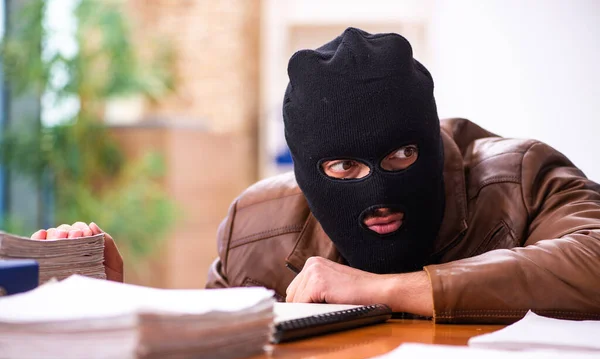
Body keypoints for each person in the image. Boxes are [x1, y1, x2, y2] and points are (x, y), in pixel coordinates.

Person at [36, 28, 600, 323]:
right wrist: (103, 307)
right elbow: (218, 353)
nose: (379, 193)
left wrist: (386, 291)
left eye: (402, 156)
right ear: (309, 172)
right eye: (343, 167)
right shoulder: (255, 225)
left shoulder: (521, 176)